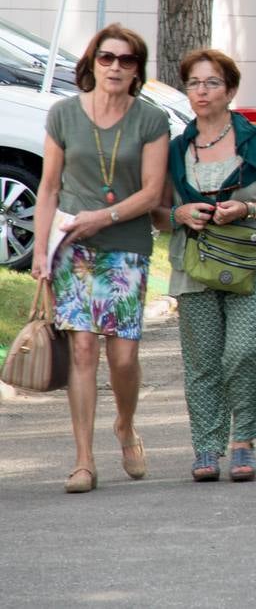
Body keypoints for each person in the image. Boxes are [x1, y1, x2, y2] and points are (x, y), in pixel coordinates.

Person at [31, 24, 170, 493]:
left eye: (126, 61)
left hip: (126, 244)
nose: (115, 67)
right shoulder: (64, 114)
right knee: (84, 348)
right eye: (106, 58)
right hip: (73, 244)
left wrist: (103, 217)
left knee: (124, 356)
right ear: (91, 63)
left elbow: (152, 193)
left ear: (137, 71)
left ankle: (126, 426)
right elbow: (49, 187)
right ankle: (84, 461)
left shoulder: (150, 120)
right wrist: (40, 250)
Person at [156, 49, 256, 483]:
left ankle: (243, 441)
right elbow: (158, 212)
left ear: (230, 90)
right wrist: (179, 215)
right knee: (202, 362)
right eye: (194, 83)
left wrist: (246, 209)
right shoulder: (176, 150)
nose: (202, 91)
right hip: (194, 266)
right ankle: (207, 448)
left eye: (212, 83)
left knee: (242, 351)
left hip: (252, 265)